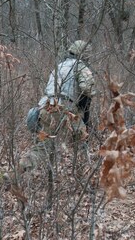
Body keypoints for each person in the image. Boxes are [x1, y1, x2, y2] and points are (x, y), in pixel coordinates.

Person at [19, 40, 95, 174]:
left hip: (45, 107)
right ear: (84, 54)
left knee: (43, 147)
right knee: (82, 140)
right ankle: (87, 175)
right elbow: (86, 89)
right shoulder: (81, 67)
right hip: (65, 109)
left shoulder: (59, 66)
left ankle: (19, 171)